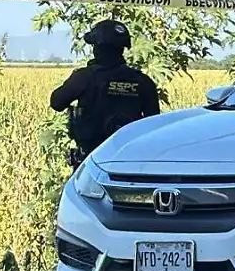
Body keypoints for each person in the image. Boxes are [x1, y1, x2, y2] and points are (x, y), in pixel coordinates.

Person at [49, 19, 161, 168]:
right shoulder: (143, 82)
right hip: (129, 162)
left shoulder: (85, 77)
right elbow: (153, 125)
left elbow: (56, 102)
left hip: (92, 160)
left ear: (98, 48)